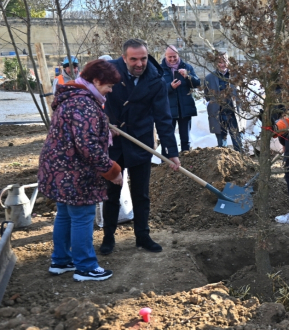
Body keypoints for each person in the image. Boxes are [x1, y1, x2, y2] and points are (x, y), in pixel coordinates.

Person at [39, 59, 122, 281]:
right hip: (74, 173)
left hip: (58, 168)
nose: (110, 90)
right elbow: (88, 147)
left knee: (65, 215)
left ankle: (61, 260)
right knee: (82, 216)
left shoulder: (72, 97)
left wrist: (105, 131)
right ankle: (85, 266)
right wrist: (112, 171)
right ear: (95, 80)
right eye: (108, 85)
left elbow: (78, 134)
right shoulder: (83, 104)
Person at [100, 39, 181, 255]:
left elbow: (163, 118)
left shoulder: (155, 79)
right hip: (113, 144)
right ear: (124, 57)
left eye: (143, 58)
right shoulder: (109, 72)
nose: (139, 63)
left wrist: (171, 152)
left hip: (140, 142)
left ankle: (142, 237)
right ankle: (108, 237)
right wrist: (105, 121)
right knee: (111, 193)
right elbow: (94, 98)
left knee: (141, 193)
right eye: (133, 59)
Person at [161, 45, 201, 154]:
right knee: (167, 138)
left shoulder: (187, 67)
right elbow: (156, 89)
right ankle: (166, 163)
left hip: (185, 109)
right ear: (165, 56)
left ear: (178, 55)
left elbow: (197, 84)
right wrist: (170, 87)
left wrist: (188, 76)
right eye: (170, 57)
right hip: (168, 110)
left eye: (174, 56)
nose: (173, 59)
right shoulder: (159, 69)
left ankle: (186, 161)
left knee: (186, 139)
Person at [204, 53, 243, 152]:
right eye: (219, 62)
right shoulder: (209, 78)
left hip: (234, 114)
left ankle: (241, 164)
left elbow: (242, 93)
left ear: (228, 62)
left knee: (238, 142)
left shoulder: (236, 76)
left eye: (224, 62)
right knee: (222, 146)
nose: (222, 65)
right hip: (218, 114)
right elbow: (207, 96)